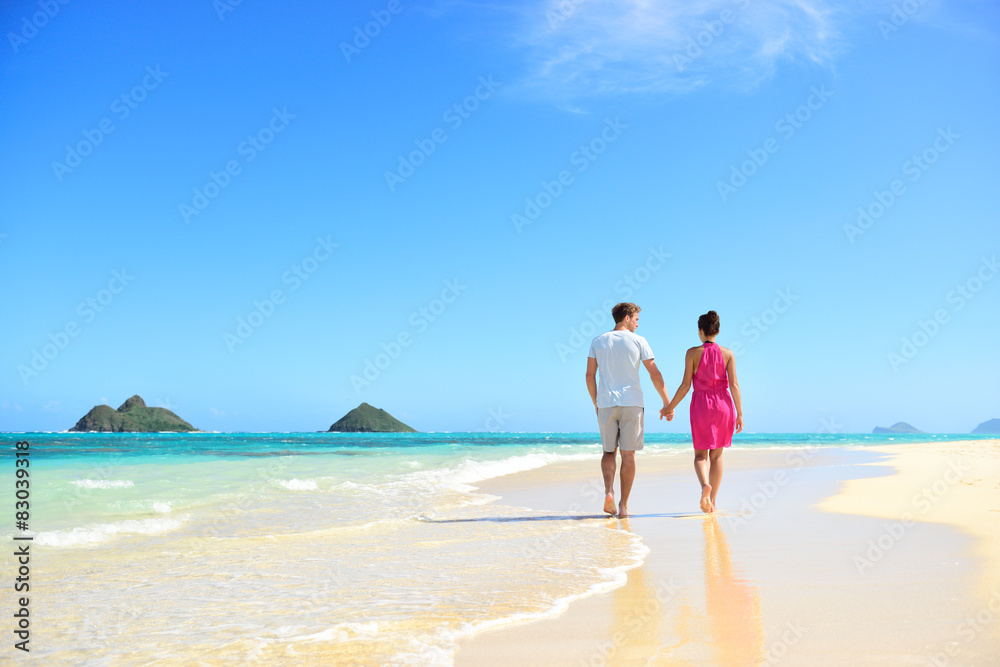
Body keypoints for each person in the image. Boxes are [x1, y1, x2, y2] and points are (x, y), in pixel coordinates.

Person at [586, 303, 670, 517]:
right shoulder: (639, 341)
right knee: (628, 455)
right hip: (632, 402)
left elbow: (589, 375)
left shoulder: (598, 341)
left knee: (608, 452)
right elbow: (655, 373)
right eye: (636, 319)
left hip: (605, 403)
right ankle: (623, 507)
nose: (637, 323)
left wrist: (597, 402)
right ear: (626, 317)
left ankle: (608, 492)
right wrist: (666, 402)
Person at [661, 310, 743, 513]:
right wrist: (740, 413)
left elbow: (685, 386)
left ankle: (704, 485)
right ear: (717, 331)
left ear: (700, 331)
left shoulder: (692, 353)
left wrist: (669, 407)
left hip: (701, 405)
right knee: (717, 456)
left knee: (700, 455)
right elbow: (734, 385)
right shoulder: (728, 354)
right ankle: (712, 501)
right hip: (724, 405)